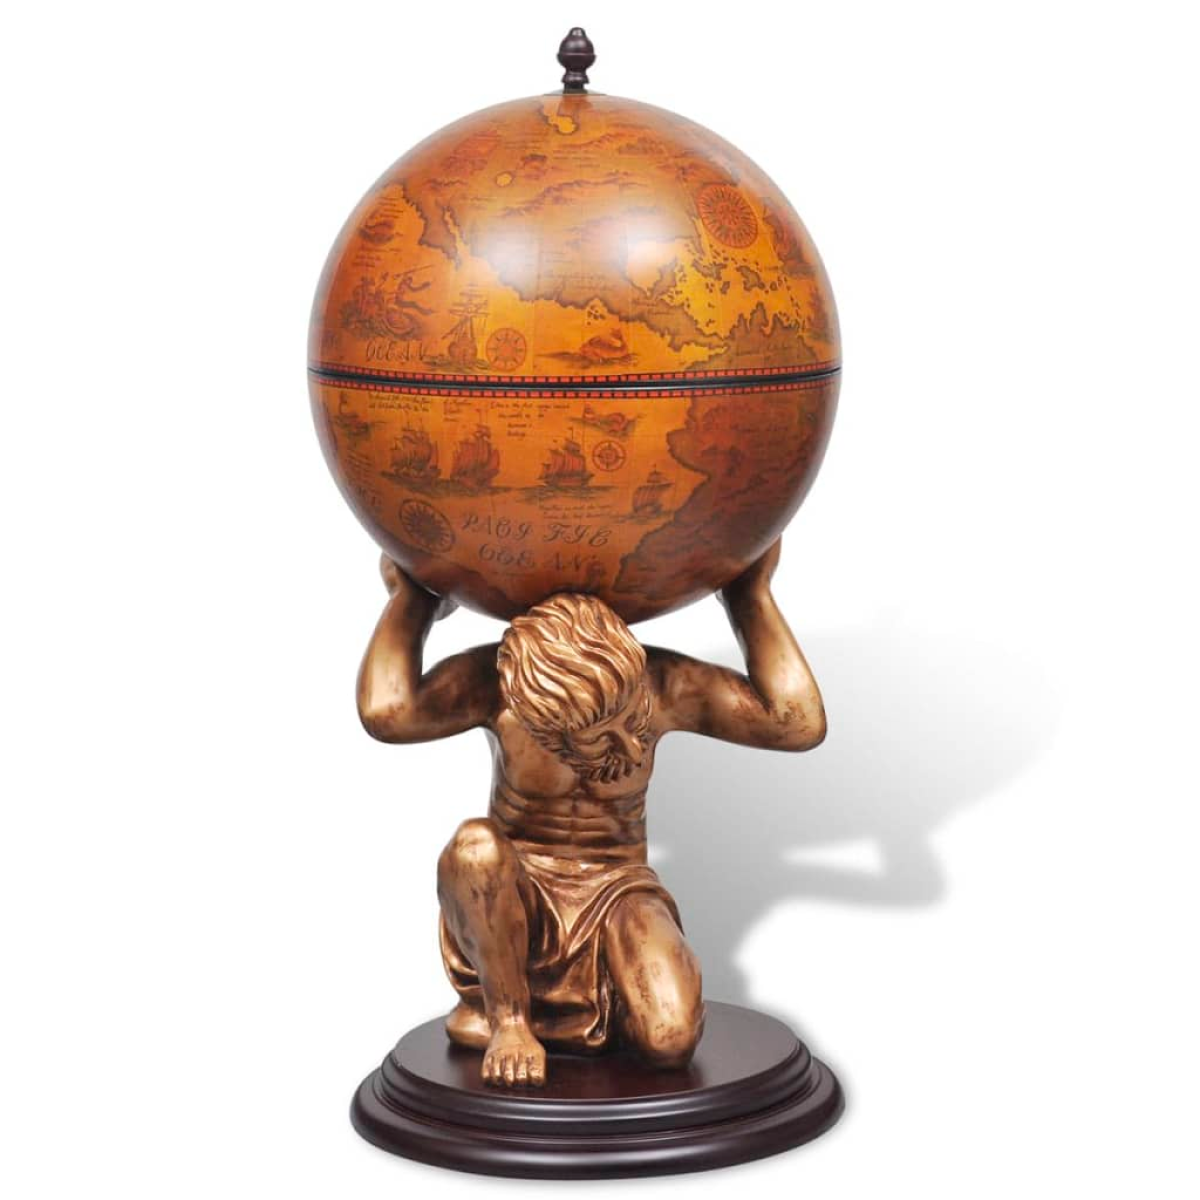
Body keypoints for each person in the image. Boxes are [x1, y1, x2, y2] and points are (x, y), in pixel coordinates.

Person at [357, 538, 825, 1087]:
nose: (631, 747)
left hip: (618, 889)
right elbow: (388, 710)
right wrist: (412, 600)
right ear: (541, 722)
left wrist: (751, 597)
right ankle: (510, 1020)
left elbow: (796, 722)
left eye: (633, 720)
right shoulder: (499, 690)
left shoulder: (660, 685)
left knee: (670, 1039)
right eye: (599, 738)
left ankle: (589, 1011)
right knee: (475, 849)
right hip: (518, 897)